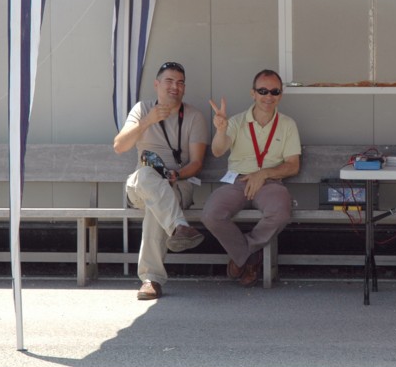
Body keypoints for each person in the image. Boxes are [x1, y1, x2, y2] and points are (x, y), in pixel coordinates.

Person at [113, 62, 209, 300]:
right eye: (169, 81)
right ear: (157, 84)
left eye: (180, 82)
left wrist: (179, 174)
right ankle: (179, 226)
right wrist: (147, 121)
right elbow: (120, 146)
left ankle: (151, 280)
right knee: (147, 175)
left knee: (158, 205)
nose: (175, 86)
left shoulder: (194, 116)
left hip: (178, 184)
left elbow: (197, 162)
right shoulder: (141, 109)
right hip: (141, 186)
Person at [203, 69, 301, 287]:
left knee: (280, 213)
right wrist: (221, 130)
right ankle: (250, 257)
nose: (268, 96)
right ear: (253, 93)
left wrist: (263, 173)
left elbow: (293, 165)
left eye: (274, 91)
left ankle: (242, 252)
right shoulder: (237, 121)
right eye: (263, 91)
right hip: (237, 181)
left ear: (281, 95)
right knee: (211, 215)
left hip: (270, 182)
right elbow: (218, 151)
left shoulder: (287, 124)